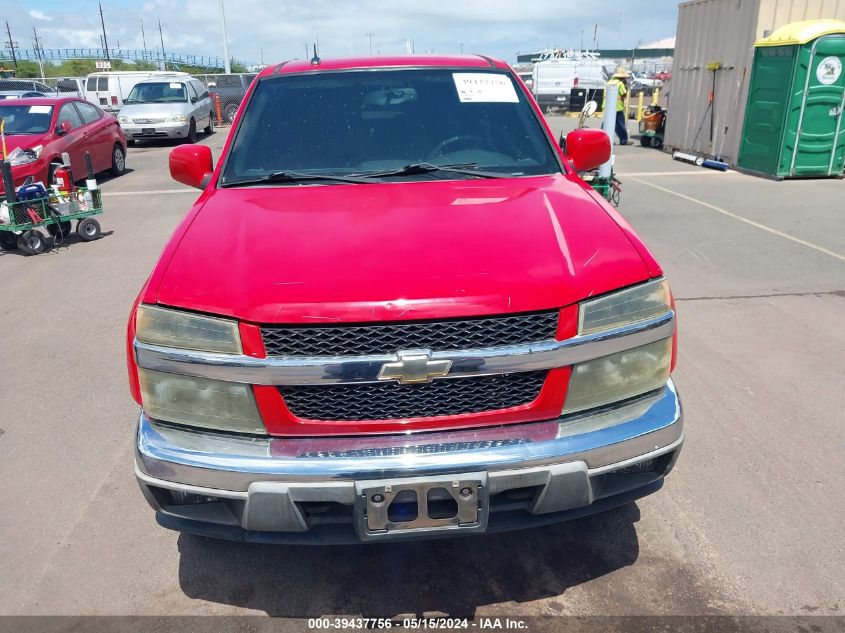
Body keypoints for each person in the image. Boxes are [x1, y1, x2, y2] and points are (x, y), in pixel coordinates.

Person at [606, 68, 632, 145]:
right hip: (617, 107)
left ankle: (603, 139)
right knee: (620, 124)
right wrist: (625, 88)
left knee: (606, 123)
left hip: (607, 106)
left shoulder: (609, 82)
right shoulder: (620, 83)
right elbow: (623, 93)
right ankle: (624, 140)